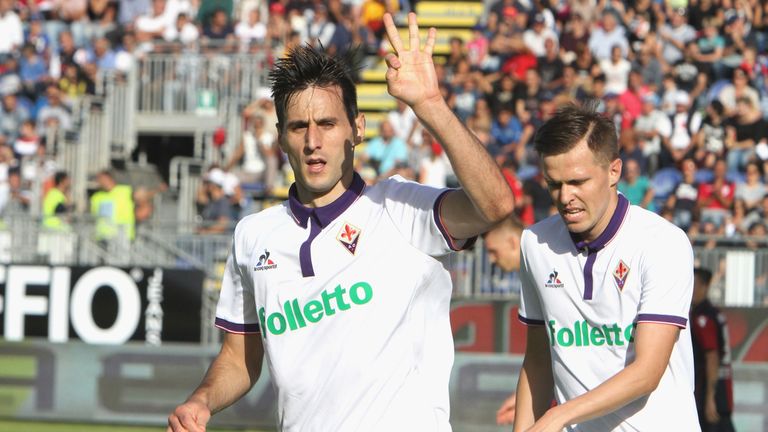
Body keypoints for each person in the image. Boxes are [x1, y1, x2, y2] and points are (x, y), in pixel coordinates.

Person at [167, 12, 514, 432]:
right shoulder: (253, 235)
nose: (313, 142)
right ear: (281, 138)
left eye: (327, 124)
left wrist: (430, 105)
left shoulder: (399, 207)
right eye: (299, 127)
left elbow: (495, 205)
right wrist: (202, 400)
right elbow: (240, 358)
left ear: (357, 128)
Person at [514, 103, 700, 431]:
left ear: (614, 171)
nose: (565, 196)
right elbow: (539, 361)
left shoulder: (663, 243)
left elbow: (647, 372)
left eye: (577, 181)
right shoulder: (534, 243)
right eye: (554, 184)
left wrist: (558, 414)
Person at [690, 267, 735, 432]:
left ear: (705, 286)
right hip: (720, 389)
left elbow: (712, 356)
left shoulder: (704, 316)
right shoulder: (712, 313)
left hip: (710, 391)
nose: (691, 288)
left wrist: (710, 397)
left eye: (695, 284)